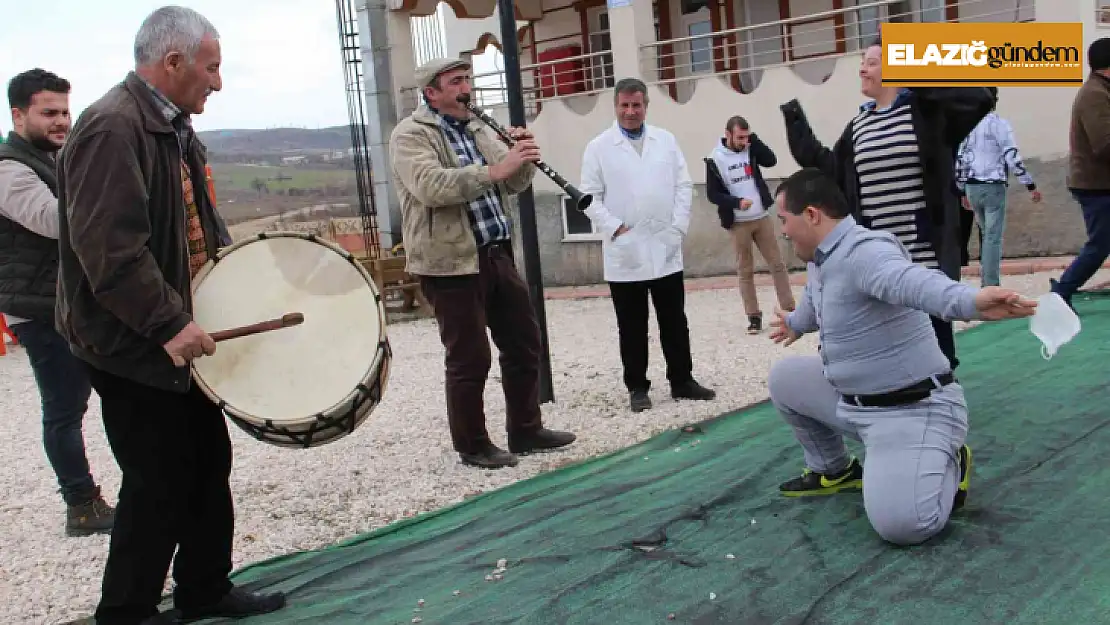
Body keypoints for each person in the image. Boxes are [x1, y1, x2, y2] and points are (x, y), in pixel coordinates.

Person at [55, 7, 286, 624]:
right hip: (131, 341)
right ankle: (126, 612)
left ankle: (204, 589)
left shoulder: (175, 128)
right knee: (157, 478)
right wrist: (167, 324)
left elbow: (196, 230)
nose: (218, 82)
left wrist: (237, 287)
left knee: (208, 461)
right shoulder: (111, 128)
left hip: (174, 333)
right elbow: (111, 250)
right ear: (174, 62)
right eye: (211, 68)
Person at [766, 168, 1037, 546]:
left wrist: (970, 301)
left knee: (904, 526)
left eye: (784, 220)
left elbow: (912, 282)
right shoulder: (820, 259)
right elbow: (814, 306)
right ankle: (834, 471)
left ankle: (951, 460)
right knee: (785, 379)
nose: (782, 230)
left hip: (911, 411)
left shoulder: (866, 252)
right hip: (854, 402)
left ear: (812, 215)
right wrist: (795, 323)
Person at [389, 57, 576, 470]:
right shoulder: (410, 135)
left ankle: (526, 429)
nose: (466, 88)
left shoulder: (477, 126)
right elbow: (431, 186)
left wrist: (522, 158)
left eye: (467, 80)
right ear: (431, 92)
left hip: (495, 252)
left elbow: (512, 183)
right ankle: (472, 445)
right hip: (448, 263)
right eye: (456, 82)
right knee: (469, 357)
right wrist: (496, 168)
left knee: (524, 343)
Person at [780, 37, 994, 371]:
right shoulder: (860, 126)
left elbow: (980, 97)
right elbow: (829, 168)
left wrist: (918, 75)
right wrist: (795, 120)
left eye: (872, 62)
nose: (862, 69)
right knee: (883, 346)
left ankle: (943, 408)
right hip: (877, 262)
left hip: (924, 254)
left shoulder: (928, 113)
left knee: (937, 351)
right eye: (862, 62)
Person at [0, 69, 116, 537]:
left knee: (97, 394)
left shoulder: (52, 158)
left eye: (65, 112)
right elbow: (52, 220)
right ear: (18, 114)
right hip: (38, 307)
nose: (61, 121)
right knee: (65, 407)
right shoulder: (8, 166)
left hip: (65, 300)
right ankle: (81, 505)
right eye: (48, 112)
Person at [578, 77, 716, 413]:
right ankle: (637, 387)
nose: (630, 111)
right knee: (632, 325)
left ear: (645, 106)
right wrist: (615, 228)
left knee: (674, 319)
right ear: (615, 106)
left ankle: (682, 379)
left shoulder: (665, 141)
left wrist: (678, 226)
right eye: (624, 105)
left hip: (665, 244)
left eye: (636, 105)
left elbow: (684, 186)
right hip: (625, 250)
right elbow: (588, 198)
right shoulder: (598, 147)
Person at [704, 115, 795, 334]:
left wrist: (753, 140)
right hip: (738, 223)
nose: (744, 141)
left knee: (777, 263)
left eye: (746, 136)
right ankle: (753, 317)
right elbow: (712, 194)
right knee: (745, 270)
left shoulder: (750, 148)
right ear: (728, 135)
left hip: (760, 216)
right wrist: (736, 202)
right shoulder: (715, 159)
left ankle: (789, 309)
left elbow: (771, 160)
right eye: (740, 137)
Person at [955, 90, 1042, 287]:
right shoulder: (999, 124)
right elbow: (1012, 156)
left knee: (987, 235)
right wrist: (1029, 184)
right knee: (992, 237)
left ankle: (987, 280)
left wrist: (961, 189)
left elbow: (961, 159)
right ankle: (990, 283)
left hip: (972, 186)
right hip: (993, 185)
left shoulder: (966, 126)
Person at [1051, 37, 1110, 309]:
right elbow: (1104, 144)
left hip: (1100, 183)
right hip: (1097, 185)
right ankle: (1061, 291)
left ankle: (1062, 290)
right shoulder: (1095, 95)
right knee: (1100, 245)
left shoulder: (1103, 90)